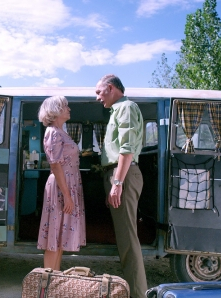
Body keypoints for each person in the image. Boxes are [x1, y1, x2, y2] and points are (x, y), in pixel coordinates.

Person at [95, 74, 147, 297]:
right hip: (119, 175)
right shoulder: (118, 110)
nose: (98, 98)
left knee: (128, 239)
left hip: (123, 175)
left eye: (99, 92)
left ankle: (138, 293)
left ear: (110, 88)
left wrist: (117, 182)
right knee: (124, 237)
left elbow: (126, 149)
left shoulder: (125, 108)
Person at [36, 95, 86, 271]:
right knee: (54, 236)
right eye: (65, 106)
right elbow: (55, 165)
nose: (69, 109)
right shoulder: (53, 132)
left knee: (59, 237)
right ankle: (48, 283)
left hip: (67, 184)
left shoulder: (61, 132)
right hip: (60, 186)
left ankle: (54, 279)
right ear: (55, 110)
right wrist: (67, 195)